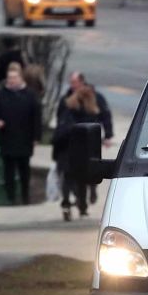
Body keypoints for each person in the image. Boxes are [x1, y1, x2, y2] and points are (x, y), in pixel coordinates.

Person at [0, 63, 42, 205]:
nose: (11, 80)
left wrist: (36, 137)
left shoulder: (30, 95)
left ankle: (25, 197)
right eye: (9, 78)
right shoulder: (2, 94)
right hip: (7, 138)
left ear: (20, 78)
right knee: (8, 171)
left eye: (14, 77)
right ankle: (10, 197)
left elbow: (36, 117)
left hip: (25, 139)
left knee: (24, 170)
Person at [59, 71, 113, 203]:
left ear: (82, 82)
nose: (72, 85)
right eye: (71, 82)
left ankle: (91, 190)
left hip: (90, 139)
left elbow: (105, 115)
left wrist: (108, 135)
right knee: (76, 170)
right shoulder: (67, 98)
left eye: (75, 82)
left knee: (91, 165)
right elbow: (62, 118)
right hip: (73, 140)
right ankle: (80, 197)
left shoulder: (95, 97)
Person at [53, 85, 105, 219]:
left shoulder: (68, 110)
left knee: (67, 178)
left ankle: (66, 203)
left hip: (67, 149)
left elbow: (60, 130)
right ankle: (82, 207)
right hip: (84, 151)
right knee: (82, 179)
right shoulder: (91, 113)